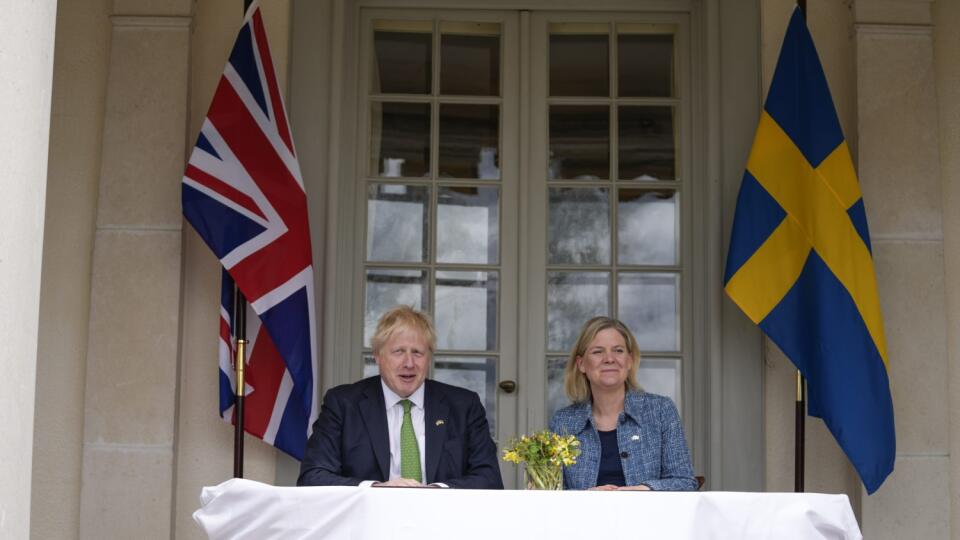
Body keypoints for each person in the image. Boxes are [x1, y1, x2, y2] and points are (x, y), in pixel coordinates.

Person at [298, 305, 503, 489]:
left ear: (429, 357)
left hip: (442, 523)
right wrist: (378, 489)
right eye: (398, 352)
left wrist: (436, 492)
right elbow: (313, 476)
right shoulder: (343, 404)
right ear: (377, 356)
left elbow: (489, 478)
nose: (409, 363)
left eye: (417, 352)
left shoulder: (464, 406)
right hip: (369, 522)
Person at [549, 316, 698, 491]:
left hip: (648, 517)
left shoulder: (660, 411)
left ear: (629, 360)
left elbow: (685, 482)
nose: (609, 359)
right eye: (598, 351)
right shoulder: (563, 423)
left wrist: (644, 489)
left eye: (618, 350)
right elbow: (550, 492)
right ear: (581, 364)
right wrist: (585, 497)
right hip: (585, 518)